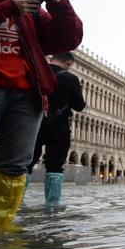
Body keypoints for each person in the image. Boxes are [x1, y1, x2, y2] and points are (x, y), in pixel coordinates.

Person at [0, 0, 83, 228]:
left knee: (14, 167)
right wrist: (2, 10)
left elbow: (65, 40)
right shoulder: (1, 3)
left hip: (26, 94)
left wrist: (59, 5)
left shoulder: (29, 10)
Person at [26, 52, 85, 207]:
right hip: (58, 125)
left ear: (52, 59)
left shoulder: (36, 72)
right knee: (55, 165)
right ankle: (52, 203)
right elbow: (79, 105)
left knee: (26, 162)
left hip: (33, 122)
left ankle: (16, 201)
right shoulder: (69, 78)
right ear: (69, 62)